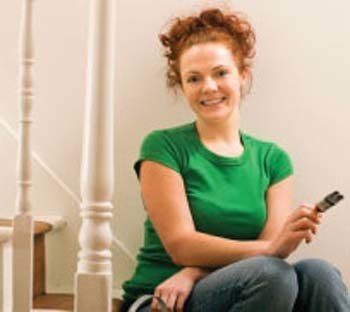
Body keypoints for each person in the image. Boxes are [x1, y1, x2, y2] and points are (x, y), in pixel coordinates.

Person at [121, 6, 350, 312]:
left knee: (319, 273)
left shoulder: (273, 160)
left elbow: (273, 251)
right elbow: (181, 246)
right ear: (182, 86)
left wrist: (197, 271)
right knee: (272, 275)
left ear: (243, 75)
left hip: (241, 285)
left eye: (220, 72)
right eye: (194, 78)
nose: (209, 87)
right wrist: (269, 249)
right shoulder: (163, 147)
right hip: (164, 299)